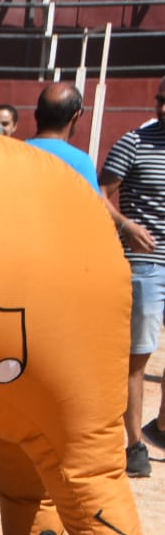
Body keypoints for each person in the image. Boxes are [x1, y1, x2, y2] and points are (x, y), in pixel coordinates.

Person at [99, 75, 165, 475]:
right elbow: (99, 192)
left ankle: (159, 425)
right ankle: (135, 445)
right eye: (160, 100)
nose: (162, 108)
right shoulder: (134, 142)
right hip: (144, 262)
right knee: (138, 356)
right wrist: (126, 226)